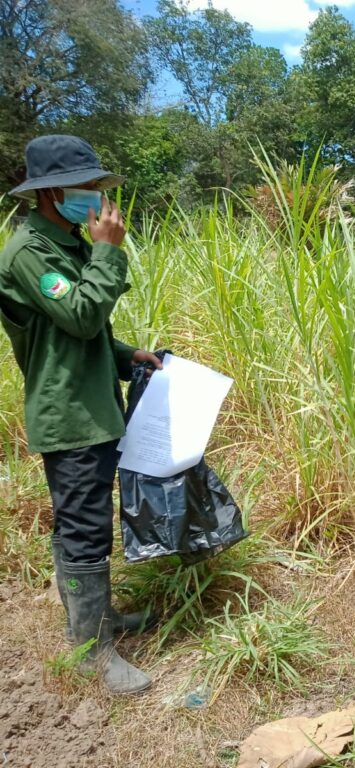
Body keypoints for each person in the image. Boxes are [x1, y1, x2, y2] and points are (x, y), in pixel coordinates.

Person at [0, 135, 161, 694]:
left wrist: (127, 356)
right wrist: (108, 251)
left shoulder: (63, 243)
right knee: (84, 529)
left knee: (81, 522)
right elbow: (82, 315)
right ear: (50, 192)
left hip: (90, 404)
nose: (96, 195)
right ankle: (92, 651)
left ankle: (96, 621)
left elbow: (77, 337)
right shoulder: (29, 252)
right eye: (86, 186)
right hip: (69, 413)